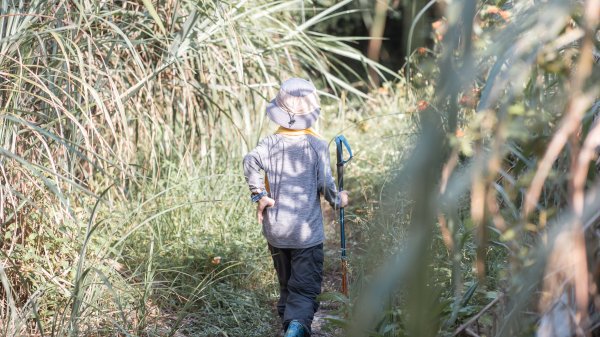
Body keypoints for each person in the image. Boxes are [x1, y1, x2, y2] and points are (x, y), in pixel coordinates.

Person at [242, 78, 349, 337]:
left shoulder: (269, 143)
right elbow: (325, 183)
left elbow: (250, 161)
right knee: (305, 289)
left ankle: (288, 325)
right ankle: (296, 329)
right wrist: (338, 199)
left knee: (287, 285)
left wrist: (260, 195)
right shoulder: (317, 145)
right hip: (306, 236)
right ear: (311, 113)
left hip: (277, 232)